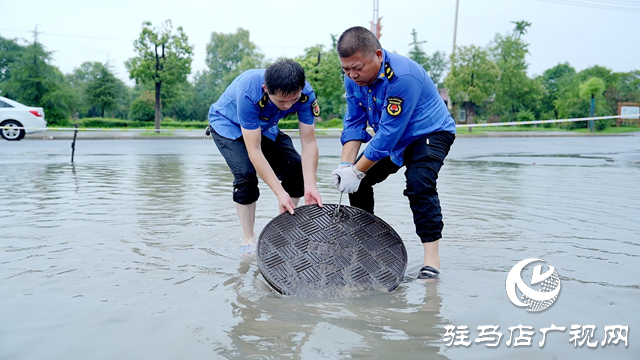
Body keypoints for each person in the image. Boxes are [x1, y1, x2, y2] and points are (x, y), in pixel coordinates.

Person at [331, 26, 456, 280]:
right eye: (346, 69)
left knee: (419, 184)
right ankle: (365, 241)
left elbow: (387, 135)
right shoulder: (352, 77)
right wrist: (346, 167)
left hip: (428, 133)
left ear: (378, 55)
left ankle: (432, 260)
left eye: (358, 68)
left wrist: (357, 170)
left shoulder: (402, 77)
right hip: (392, 137)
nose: (352, 75)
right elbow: (354, 123)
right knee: (359, 182)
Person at [208, 59, 323, 253]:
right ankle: (248, 240)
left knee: (295, 168)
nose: (287, 107)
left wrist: (311, 185)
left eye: (293, 100)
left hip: (264, 126)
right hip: (228, 124)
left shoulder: (306, 95)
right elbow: (254, 150)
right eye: (281, 101)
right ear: (265, 89)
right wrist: (279, 192)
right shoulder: (249, 91)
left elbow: (309, 142)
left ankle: (286, 228)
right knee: (245, 174)